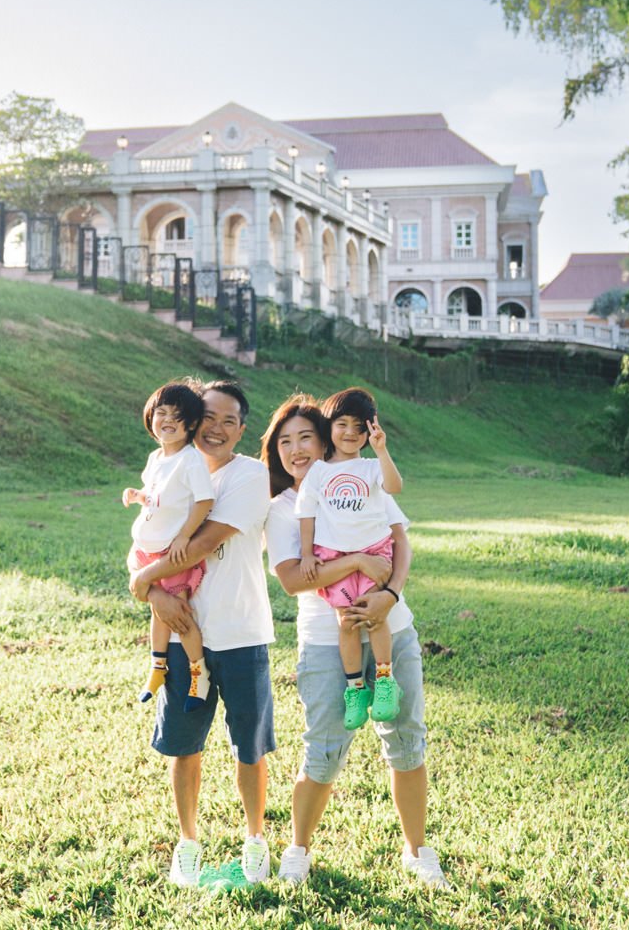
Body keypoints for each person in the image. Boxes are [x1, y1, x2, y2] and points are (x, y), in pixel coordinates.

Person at [260, 394, 449, 889]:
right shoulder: (282, 510)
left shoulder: (362, 480)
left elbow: (400, 540)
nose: (296, 449)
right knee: (323, 748)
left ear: (327, 441)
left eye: (306, 437)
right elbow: (295, 579)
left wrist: (389, 592)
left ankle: (417, 851)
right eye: (285, 441)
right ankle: (297, 849)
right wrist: (360, 564)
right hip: (326, 639)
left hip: (393, 627)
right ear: (275, 450)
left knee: (407, 741)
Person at [129, 380, 275, 888]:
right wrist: (153, 592)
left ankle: (255, 838)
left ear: (241, 429)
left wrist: (142, 582)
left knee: (249, 747)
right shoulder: (173, 472)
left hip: (240, 631)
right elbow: (146, 537)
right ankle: (188, 843)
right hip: (181, 631)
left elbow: (199, 544)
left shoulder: (250, 475)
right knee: (184, 744)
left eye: (229, 421)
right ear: (192, 420)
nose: (216, 428)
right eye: (208, 417)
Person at [294, 387, 404, 730]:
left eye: (359, 426)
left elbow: (395, 486)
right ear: (329, 427)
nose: (350, 433)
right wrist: (309, 554)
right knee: (347, 622)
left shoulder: (371, 467)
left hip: (374, 552)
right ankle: (356, 688)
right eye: (342, 424)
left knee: (374, 617)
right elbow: (306, 514)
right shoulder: (319, 472)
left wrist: (382, 451)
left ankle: (385, 681)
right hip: (334, 557)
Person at [123, 380, 214, 709]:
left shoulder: (190, 460)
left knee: (180, 614)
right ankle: (157, 667)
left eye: (177, 416)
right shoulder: (156, 457)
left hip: (172, 553)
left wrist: (184, 536)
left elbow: (204, 502)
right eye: (161, 413)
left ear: (190, 424)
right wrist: (137, 496)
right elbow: (156, 497)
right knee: (157, 611)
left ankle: (198, 673)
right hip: (146, 546)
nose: (167, 420)